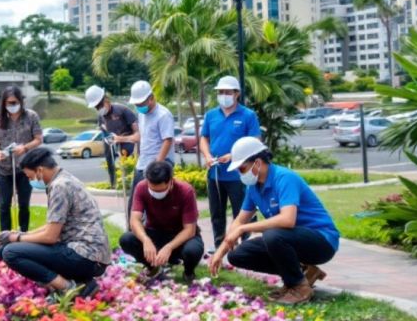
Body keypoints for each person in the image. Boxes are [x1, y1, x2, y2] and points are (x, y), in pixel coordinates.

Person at [209, 137, 339, 305]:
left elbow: (287, 220)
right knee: (238, 255)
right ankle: (302, 273)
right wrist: (222, 250)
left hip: (321, 241)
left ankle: (299, 287)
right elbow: (239, 221)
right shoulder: (253, 187)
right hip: (290, 239)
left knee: (273, 235)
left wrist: (243, 229)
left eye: (242, 168)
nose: (240, 173)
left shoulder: (284, 178)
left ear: (257, 162)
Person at [0, 147, 110, 299]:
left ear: (40, 170)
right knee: (6, 249)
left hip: (86, 256)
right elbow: (53, 225)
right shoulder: (64, 178)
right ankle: (81, 281)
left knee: (10, 252)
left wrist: (15, 238)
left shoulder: (60, 186)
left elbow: (50, 236)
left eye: (30, 177)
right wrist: (20, 235)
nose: (31, 181)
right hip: (88, 255)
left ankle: (70, 288)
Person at [200, 75, 261, 249]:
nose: (224, 95)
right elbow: (204, 137)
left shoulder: (248, 115)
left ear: (237, 94)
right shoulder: (211, 115)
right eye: (221, 92)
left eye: (227, 92)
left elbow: (255, 142)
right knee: (216, 213)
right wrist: (207, 156)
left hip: (239, 175)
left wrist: (233, 156)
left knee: (241, 212)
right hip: (216, 173)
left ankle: (245, 245)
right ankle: (220, 245)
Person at [117, 161, 204, 282]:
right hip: (155, 233)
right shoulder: (142, 187)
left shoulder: (185, 191)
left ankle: (188, 272)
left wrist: (169, 247)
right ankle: (153, 268)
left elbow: (189, 230)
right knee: (126, 239)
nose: (156, 194)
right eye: (152, 190)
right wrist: (145, 240)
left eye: (160, 191)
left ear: (170, 181)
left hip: (180, 235)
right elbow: (134, 220)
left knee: (192, 251)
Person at [0, 85, 42, 232]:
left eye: (15, 102)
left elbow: (38, 139)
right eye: (9, 103)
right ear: (4, 103)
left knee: (24, 204)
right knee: (4, 205)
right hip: (4, 169)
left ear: (21, 101)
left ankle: (23, 234)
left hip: (25, 169)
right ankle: (5, 236)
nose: (12, 106)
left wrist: (24, 148)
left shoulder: (31, 116)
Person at [117, 80, 175, 212]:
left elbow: (167, 140)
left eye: (141, 103)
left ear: (151, 98)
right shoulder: (142, 114)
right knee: (135, 205)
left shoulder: (163, 115)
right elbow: (142, 137)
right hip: (142, 164)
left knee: (155, 205)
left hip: (159, 165)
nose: (139, 106)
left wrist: (157, 164)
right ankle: (133, 231)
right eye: (137, 104)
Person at [84, 85, 138, 189]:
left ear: (106, 100)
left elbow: (137, 133)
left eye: (100, 106)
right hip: (113, 142)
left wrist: (122, 139)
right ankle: (113, 183)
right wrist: (107, 138)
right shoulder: (101, 116)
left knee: (128, 163)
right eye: (96, 107)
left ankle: (131, 184)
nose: (99, 109)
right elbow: (103, 129)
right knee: (109, 156)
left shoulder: (122, 110)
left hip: (128, 141)